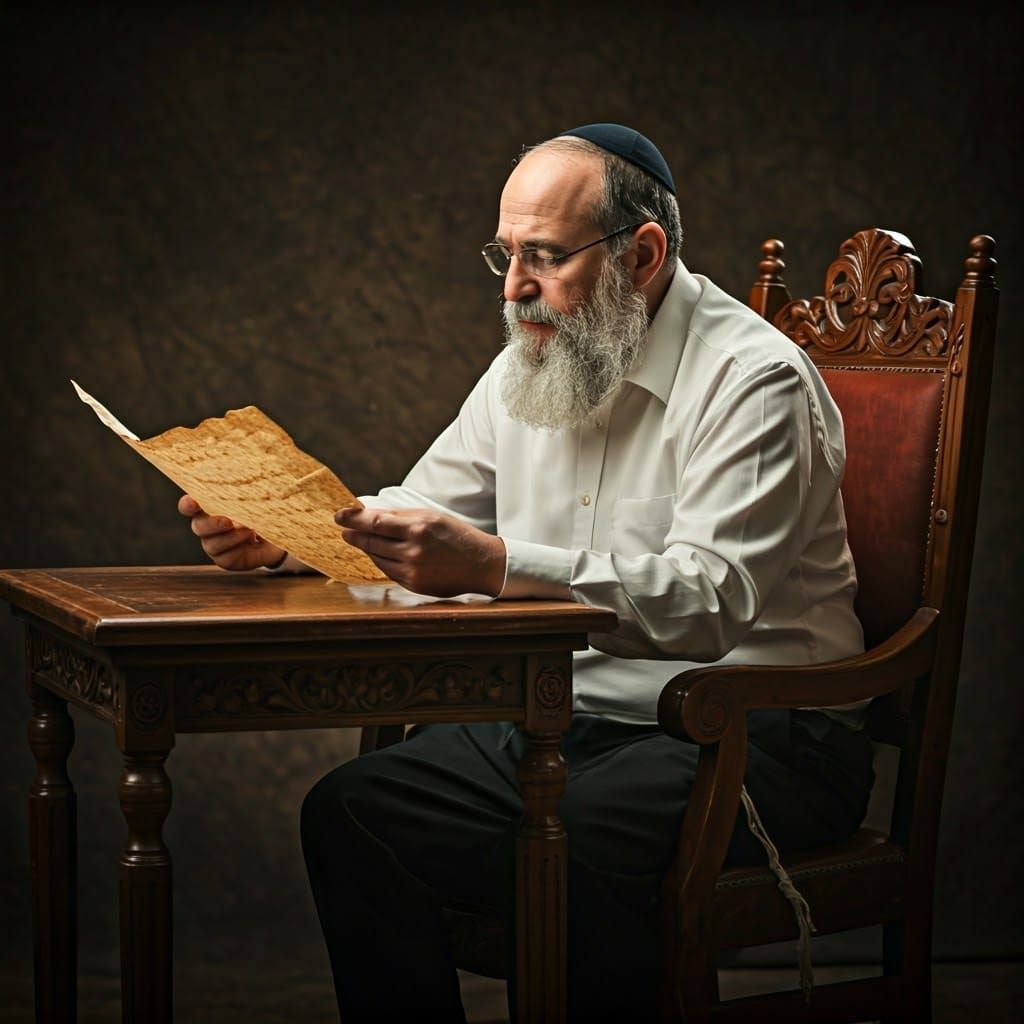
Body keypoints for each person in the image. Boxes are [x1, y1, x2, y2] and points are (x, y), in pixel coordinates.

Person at [179, 124, 873, 1022]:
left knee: (569, 846)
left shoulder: (755, 382)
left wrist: (496, 564)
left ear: (645, 253)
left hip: (756, 734)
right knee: (352, 813)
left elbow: (707, 602)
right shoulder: (535, 357)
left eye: (543, 257)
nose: (514, 291)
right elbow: (420, 511)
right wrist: (286, 537)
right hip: (572, 720)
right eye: (505, 255)